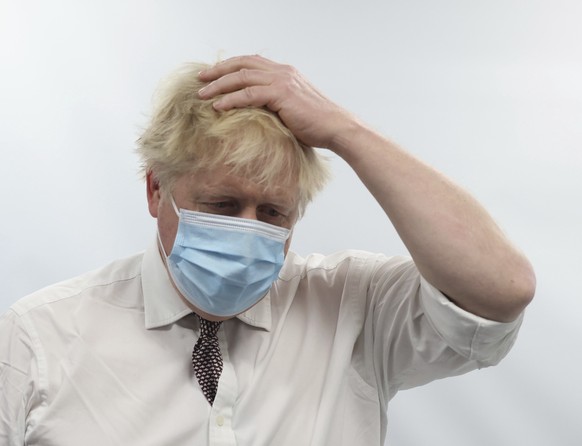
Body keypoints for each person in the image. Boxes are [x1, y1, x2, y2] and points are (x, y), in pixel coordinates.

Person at [0, 55, 535, 445]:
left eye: (273, 213)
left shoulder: (355, 307)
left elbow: (502, 288)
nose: (248, 230)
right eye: (222, 205)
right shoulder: (41, 336)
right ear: (155, 191)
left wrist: (344, 131)